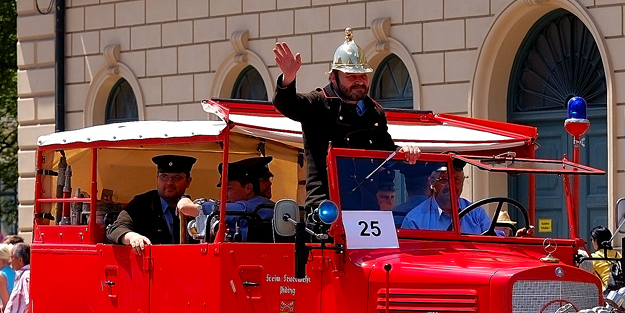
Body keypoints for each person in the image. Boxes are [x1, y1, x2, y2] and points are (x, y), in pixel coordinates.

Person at [272, 28, 420, 207]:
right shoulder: (320, 103)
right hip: (327, 206)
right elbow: (288, 104)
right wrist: (288, 77)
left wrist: (406, 152)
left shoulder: (374, 112)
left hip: (366, 207)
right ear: (333, 77)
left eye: (363, 76)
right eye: (351, 76)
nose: (359, 81)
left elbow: (386, 152)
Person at [106, 154, 195, 253]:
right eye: (164, 177)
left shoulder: (193, 207)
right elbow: (115, 229)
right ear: (157, 178)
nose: (169, 182)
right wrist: (132, 237)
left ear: (188, 181)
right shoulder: (142, 204)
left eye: (176, 178)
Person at [178, 157, 275, 242]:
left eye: (228, 188)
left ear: (248, 188)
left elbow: (186, 207)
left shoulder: (252, 206)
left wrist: (185, 200)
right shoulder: (262, 205)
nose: (224, 195)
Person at [401, 165, 495, 234]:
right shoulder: (415, 220)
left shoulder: (476, 214)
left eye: (456, 180)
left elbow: (495, 242)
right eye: (444, 180)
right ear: (432, 182)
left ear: (462, 182)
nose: (451, 186)